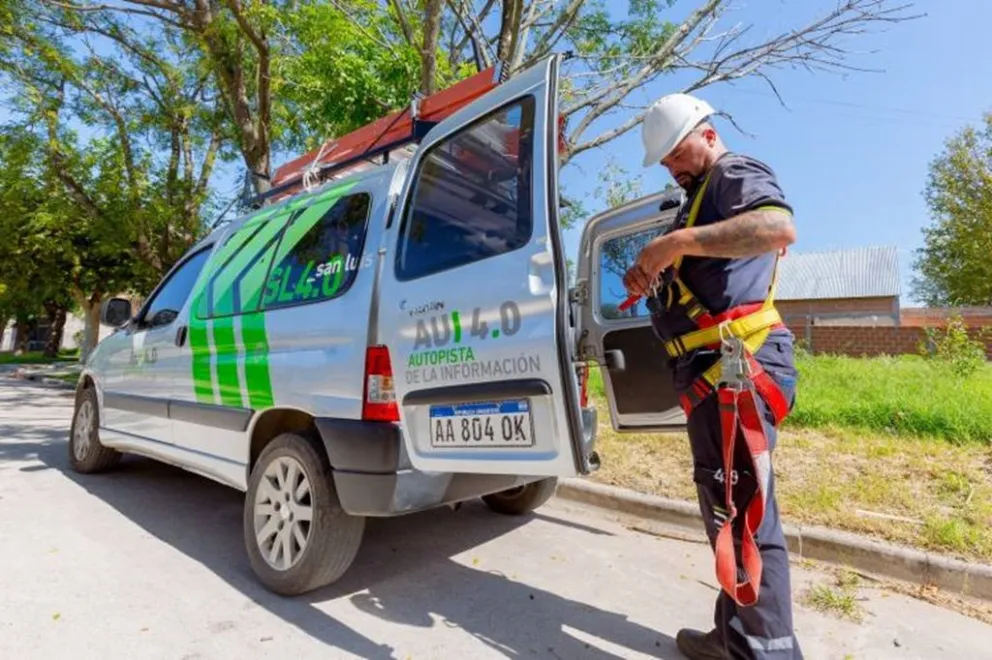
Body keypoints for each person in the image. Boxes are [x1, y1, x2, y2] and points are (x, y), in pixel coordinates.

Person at [623, 93, 802, 660]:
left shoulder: (733, 171)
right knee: (727, 508)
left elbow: (777, 228)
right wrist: (649, 272)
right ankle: (732, 634)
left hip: (738, 367)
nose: (672, 167)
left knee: (745, 513)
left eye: (677, 153)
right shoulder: (697, 197)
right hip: (711, 371)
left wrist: (675, 243)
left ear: (707, 133)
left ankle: (765, 651)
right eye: (666, 161)